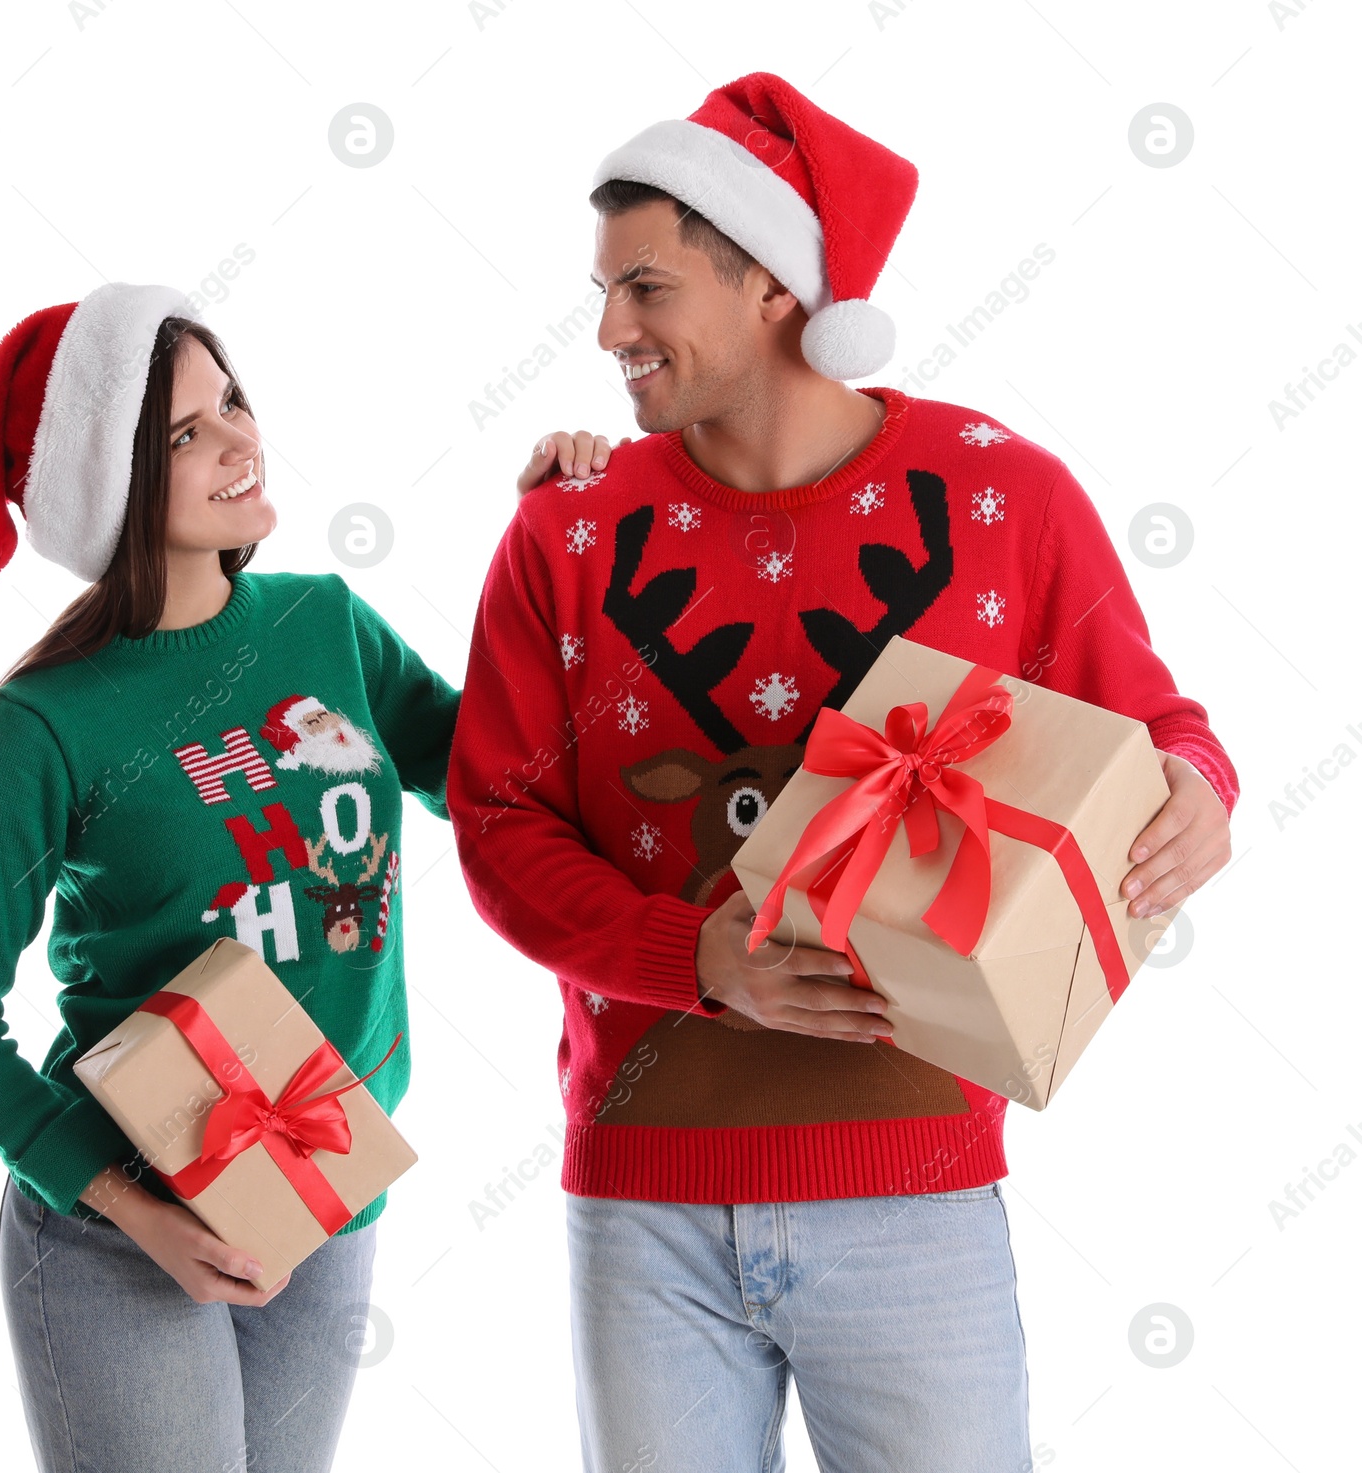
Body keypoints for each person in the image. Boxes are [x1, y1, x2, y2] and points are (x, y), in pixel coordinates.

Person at [446, 73, 1239, 1473]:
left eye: (645, 288)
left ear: (770, 287)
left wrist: (1196, 790)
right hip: (645, 1212)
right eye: (605, 290)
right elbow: (501, 825)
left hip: (919, 1192)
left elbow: (1158, 721)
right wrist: (700, 953)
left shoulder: (1009, 495)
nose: (608, 330)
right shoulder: (564, 535)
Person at [0, 280, 620, 1473]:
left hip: (322, 1195)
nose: (241, 438)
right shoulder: (50, 721)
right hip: (124, 1229)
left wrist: (557, 540)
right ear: (111, 486)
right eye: (185, 433)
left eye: (231, 401)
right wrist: (127, 1210)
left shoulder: (324, 623)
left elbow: (502, 772)